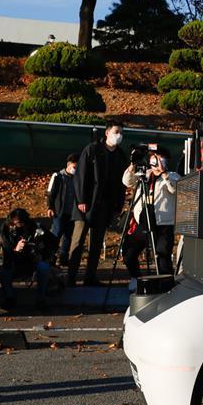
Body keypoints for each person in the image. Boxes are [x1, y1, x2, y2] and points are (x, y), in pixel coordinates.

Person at [67, 121, 129, 286]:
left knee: (96, 244)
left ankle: (90, 277)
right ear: (107, 132)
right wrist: (81, 200)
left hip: (105, 206)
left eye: (122, 133)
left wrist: (118, 205)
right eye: (116, 131)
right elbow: (81, 176)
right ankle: (71, 277)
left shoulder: (120, 156)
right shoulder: (92, 150)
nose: (119, 135)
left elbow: (122, 184)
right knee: (77, 242)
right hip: (86, 204)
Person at [121, 149, 179, 291]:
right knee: (129, 251)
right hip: (142, 221)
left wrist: (164, 173)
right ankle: (136, 278)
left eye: (160, 159)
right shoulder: (144, 174)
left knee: (162, 255)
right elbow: (127, 181)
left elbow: (175, 189)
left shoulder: (172, 175)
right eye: (154, 158)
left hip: (162, 224)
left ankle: (166, 287)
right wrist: (132, 165)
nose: (156, 162)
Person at [0, 208, 54, 309]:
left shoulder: (35, 227)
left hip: (33, 260)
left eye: (18, 224)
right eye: (13, 224)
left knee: (44, 267)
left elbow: (52, 242)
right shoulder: (6, 229)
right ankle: (9, 298)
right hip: (14, 262)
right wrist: (16, 249)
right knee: (4, 271)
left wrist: (40, 250)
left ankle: (41, 299)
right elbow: (7, 250)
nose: (15, 226)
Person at [46, 153, 79, 266]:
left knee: (68, 236)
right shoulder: (58, 176)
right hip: (59, 211)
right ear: (68, 164)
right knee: (56, 234)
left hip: (72, 212)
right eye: (74, 167)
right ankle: (51, 258)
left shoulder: (77, 178)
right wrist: (50, 207)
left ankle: (63, 258)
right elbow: (50, 193)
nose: (75, 169)